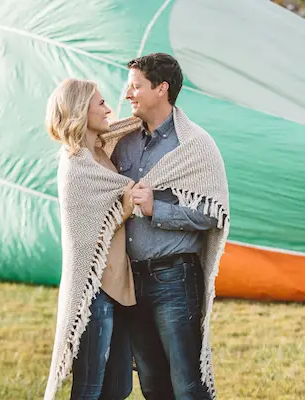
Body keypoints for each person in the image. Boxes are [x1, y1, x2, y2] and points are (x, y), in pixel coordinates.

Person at [111, 53, 219, 399]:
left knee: (188, 385)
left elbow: (210, 213)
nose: (128, 95)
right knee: (153, 386)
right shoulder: (121, 142)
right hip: (131, 282)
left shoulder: (194, 145)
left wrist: (157, 208)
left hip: (175, 279)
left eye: (136, 87)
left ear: (161, 89)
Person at [44, 78, 135, 400]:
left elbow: (131, 125)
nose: (108, 108)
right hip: (93, 291)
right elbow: (90, 231)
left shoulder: (102, 153)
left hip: (119, 286)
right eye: (100, 104)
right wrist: (126, 206)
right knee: (89, 388)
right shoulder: (75, 164)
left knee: (119, 387)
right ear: (81, 110)